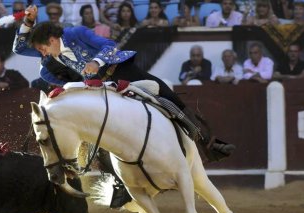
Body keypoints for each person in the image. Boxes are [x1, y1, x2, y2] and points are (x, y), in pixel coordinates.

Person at [13, 6, 235, 162]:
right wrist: (28, 21)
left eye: (42, 49)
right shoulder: (51, 55)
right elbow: (19, 48)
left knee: (166, 96)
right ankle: (117, 178)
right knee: (98, 129)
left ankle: (208, 143)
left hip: (121, 71)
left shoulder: (76, 33)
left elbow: (110, 44)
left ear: (51, 40)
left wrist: (96, 61)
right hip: (100, 86)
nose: (42, 54)